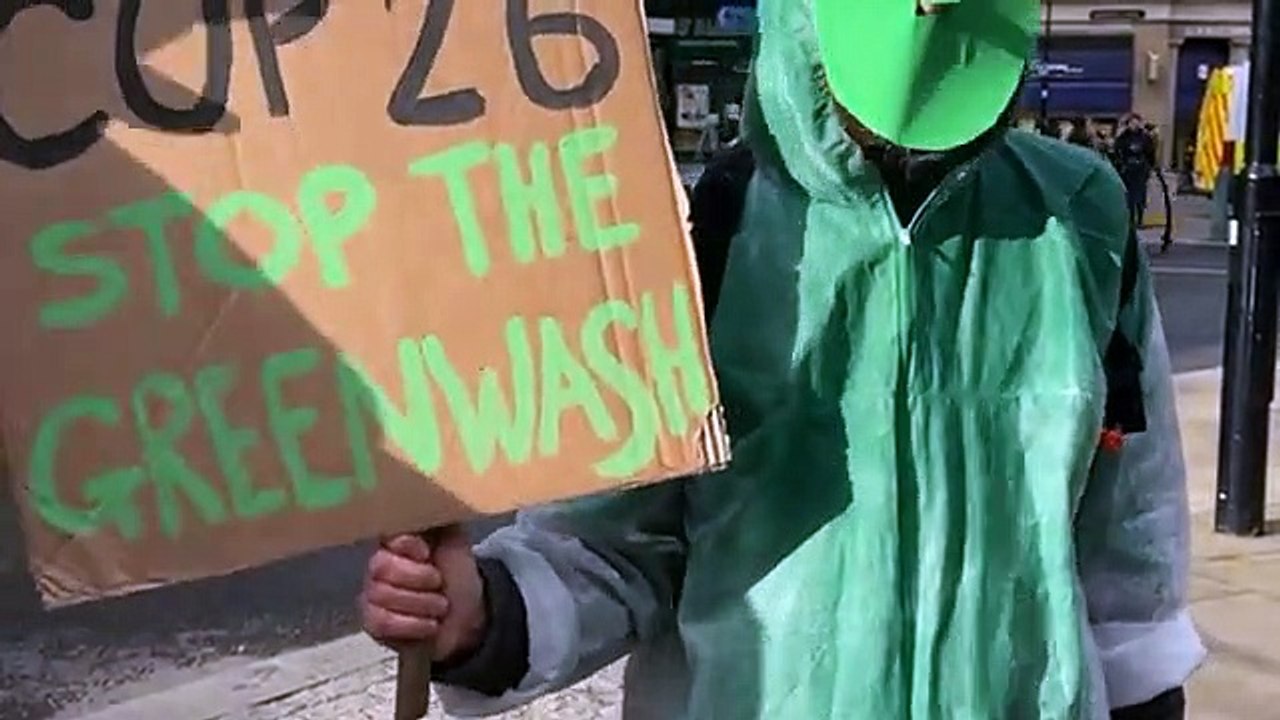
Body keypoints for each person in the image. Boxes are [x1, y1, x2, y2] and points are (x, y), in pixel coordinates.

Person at [361, 1, 1205, 718]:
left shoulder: (1078, 219)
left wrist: (1146, 693)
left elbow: (1127, 545)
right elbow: (612, 541)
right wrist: (482, 616)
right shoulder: (707, 228)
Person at [1114, 113, 1158, 229]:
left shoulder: (1145, 137)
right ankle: (1130, 219)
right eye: (1132, 122)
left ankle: (1139, 219)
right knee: (1129, 196)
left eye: (1137, 122)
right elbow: (1117, 151)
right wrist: (1120, 165)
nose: (1135, 125)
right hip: (1127, 170)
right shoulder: (1123, 137)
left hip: (1141, 170)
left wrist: (1151, 167)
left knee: (1140, 195)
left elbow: (1150, 153)